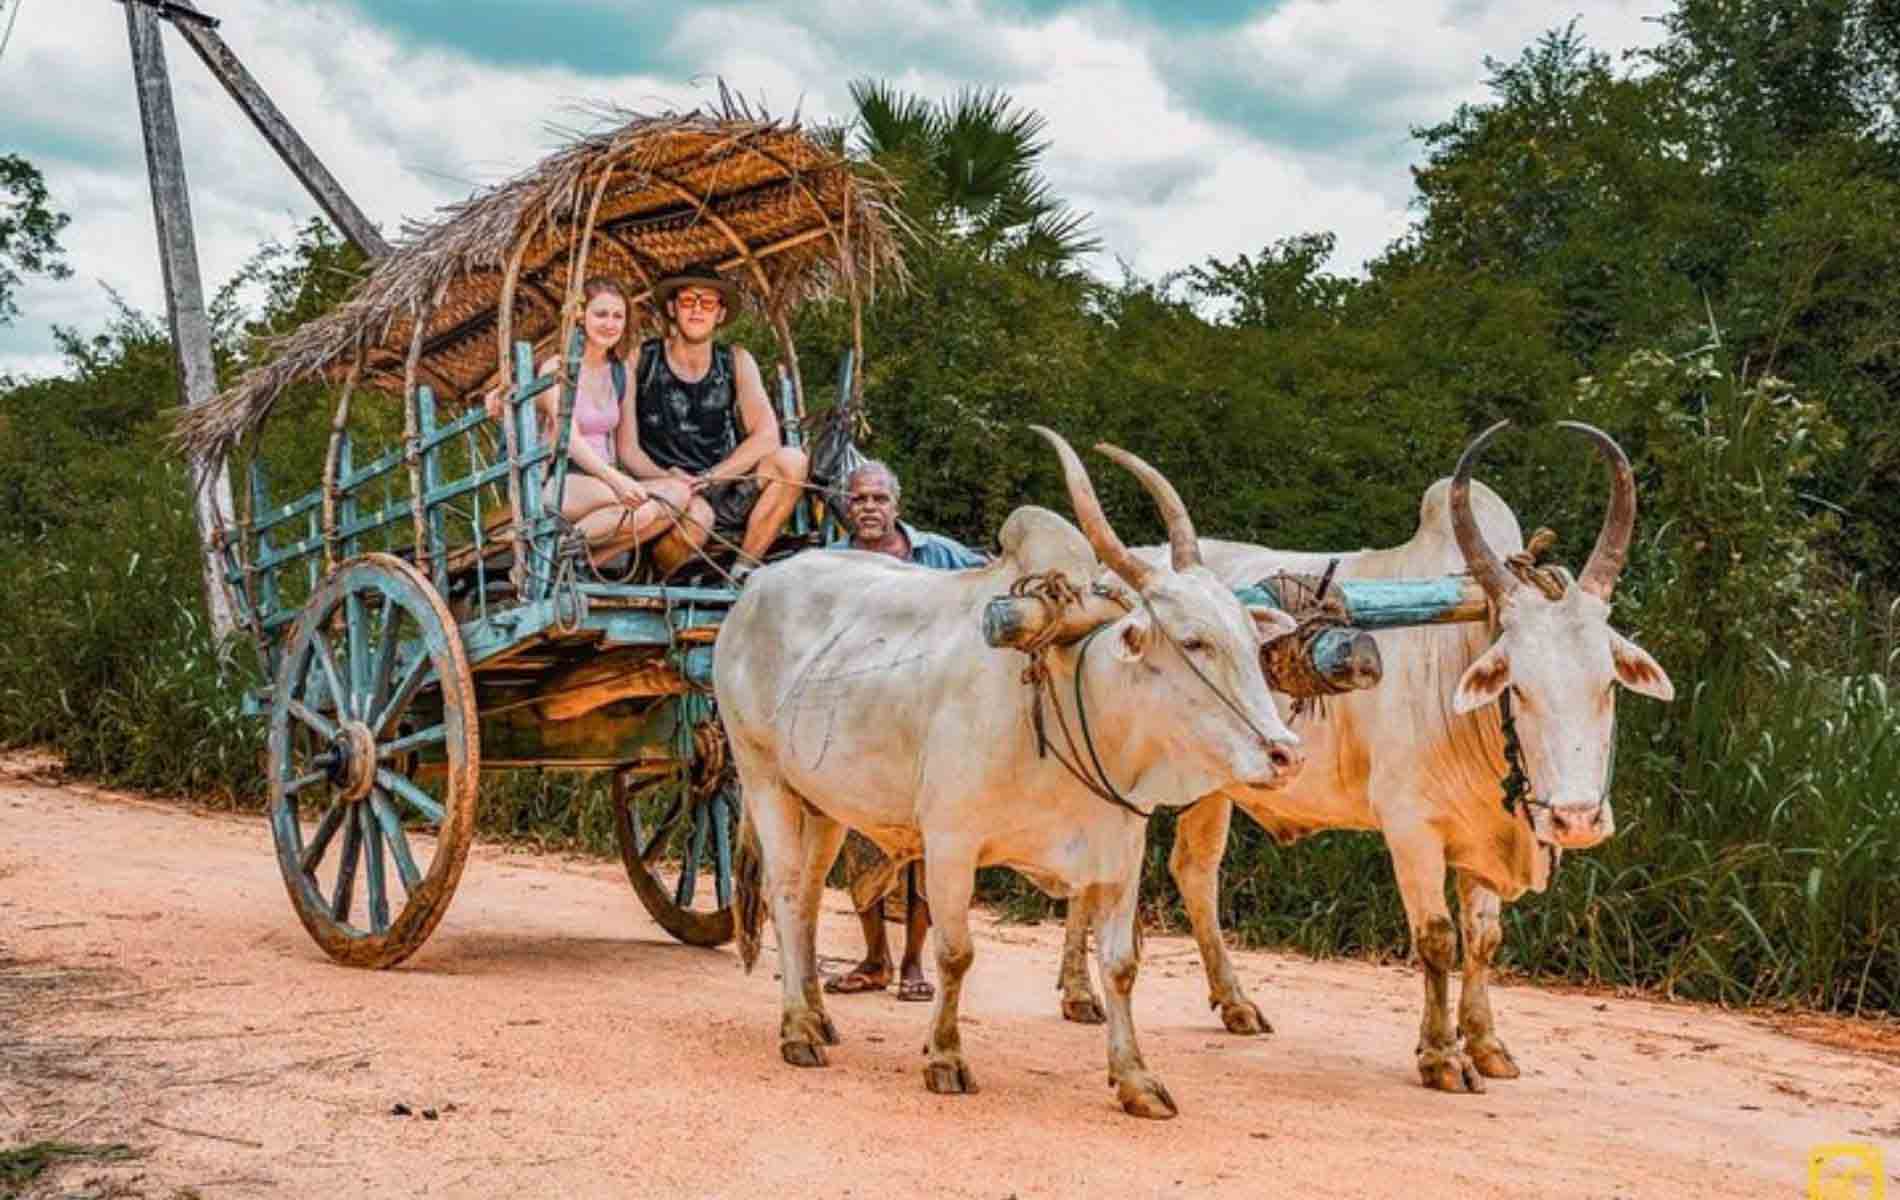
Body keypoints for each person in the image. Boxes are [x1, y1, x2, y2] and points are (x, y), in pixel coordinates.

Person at [824, 459, 986, 1003]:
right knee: (861, 838)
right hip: (862, 720)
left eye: (878, 499)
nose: (869, 507)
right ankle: (875, 959)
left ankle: (915, 964)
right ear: (848, 508)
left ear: (896, 506)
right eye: (859, 499)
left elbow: (988, 575)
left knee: (926, 847)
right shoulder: (833, 566)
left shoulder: (937, 555)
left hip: (931, 719)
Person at [482, 277, 710, 571]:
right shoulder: (558, 367)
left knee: (678, 496)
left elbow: (629, 451)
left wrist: (670, 477)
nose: (610, 324)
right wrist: (617, 480)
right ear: (581, 317)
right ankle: (555, 553)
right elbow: (570, 440)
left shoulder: (621, 373)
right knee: (640, 511)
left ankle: (583, 564)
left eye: (618, 316)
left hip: (603, 482)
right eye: (600, 314)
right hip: (561, 479)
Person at [621, 264, 811, 581]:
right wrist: (672, 482)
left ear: (720, 314)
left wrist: (712, 477)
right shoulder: (641, 358)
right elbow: (627, 450)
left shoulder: (735, 360)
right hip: (663, 489)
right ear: (672, 308)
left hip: (723, 484)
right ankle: (660, 578)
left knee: (792, 461)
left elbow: (767, 437)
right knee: (698, 517)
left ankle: (741, 574)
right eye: (687, 301)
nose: (697, 309)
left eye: (708, 303)